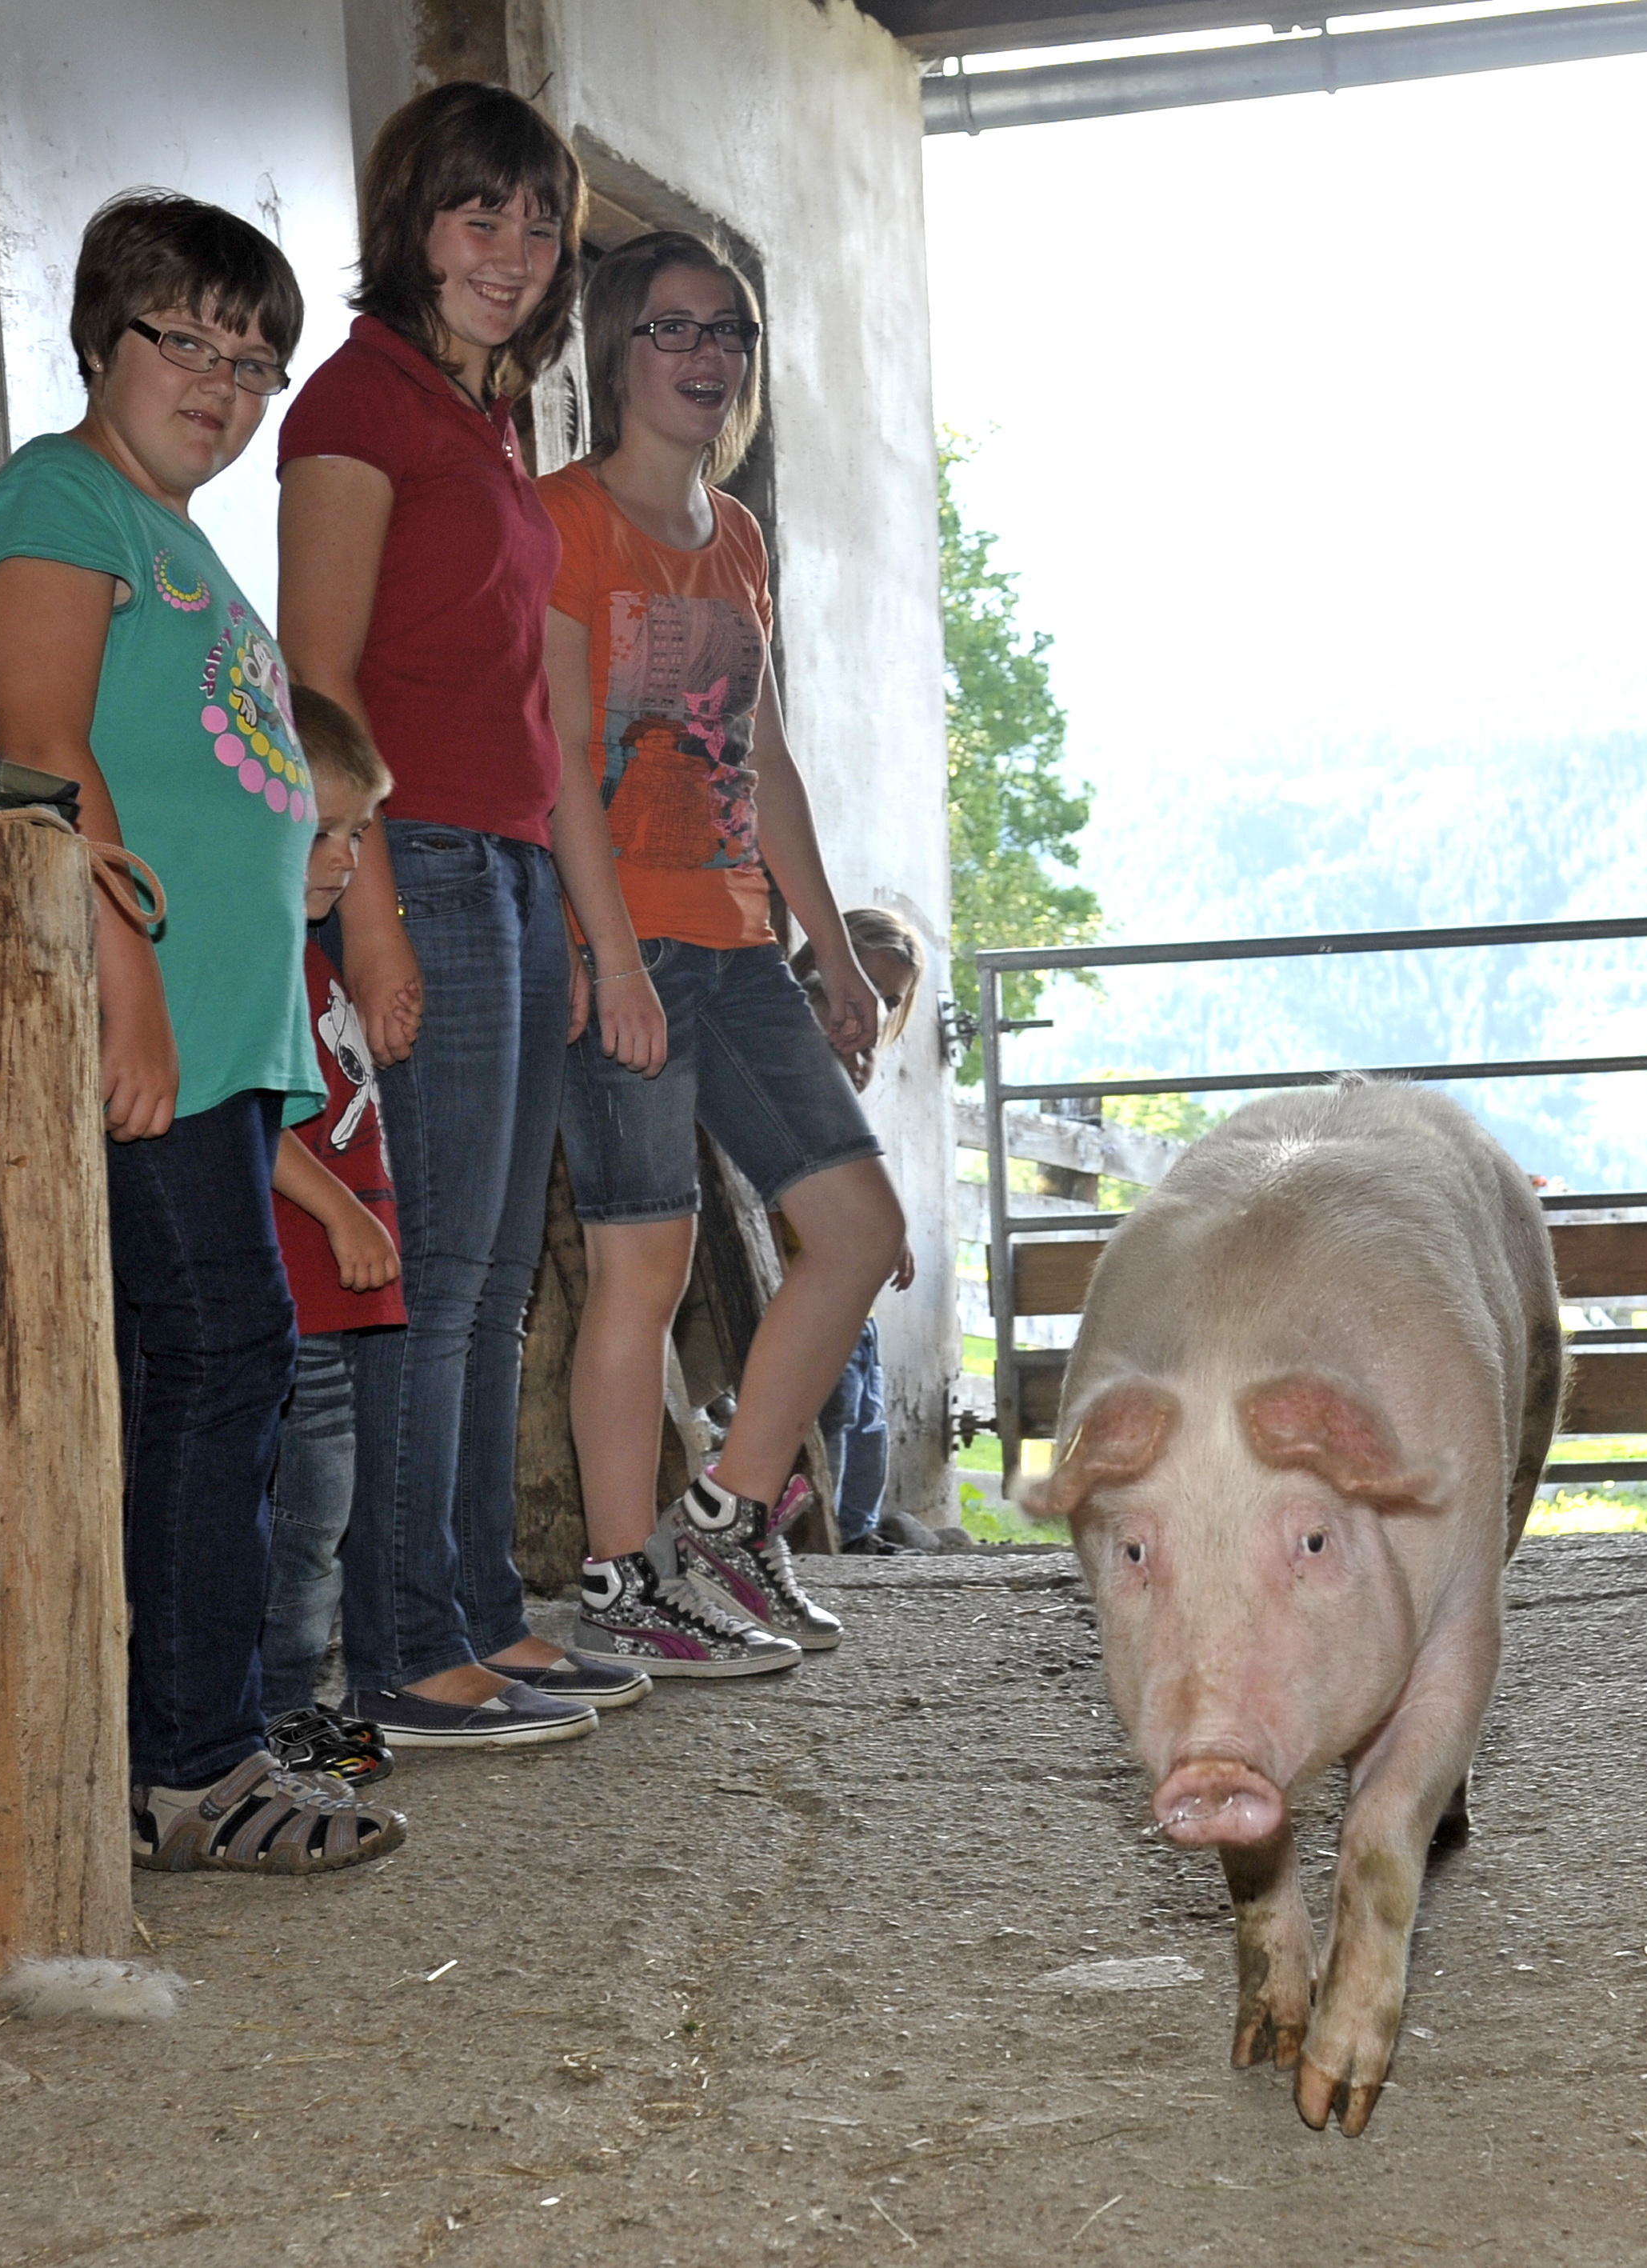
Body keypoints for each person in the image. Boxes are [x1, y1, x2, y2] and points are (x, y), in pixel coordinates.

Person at [0, 190, 399, 1872]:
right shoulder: (54, 506)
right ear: (97, 339)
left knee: (220, 1376)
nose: (221, 381)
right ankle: (188, 1762)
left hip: (220, 1042)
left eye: (255, 360)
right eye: (187, 341)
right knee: (214, 1366)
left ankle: (192, 1739)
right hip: (147, 1033)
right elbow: (48, 758)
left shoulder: (184, 542)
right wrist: (125, 992)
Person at [275, 83, 643, 1747]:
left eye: (536, 221)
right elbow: (316, 680)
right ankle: (403, 1646)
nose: (511, 251)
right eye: (476, 214)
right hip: (408, 854)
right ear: (412, 224)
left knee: (493, 1278)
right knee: (429, 1276)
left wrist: (563, 912)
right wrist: (366, 918)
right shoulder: (357, 403)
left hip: (496, 860)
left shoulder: (482, 418)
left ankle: (480, 1610)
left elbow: (521, 705)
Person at [538, 229, 909, 1673]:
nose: (705, 359)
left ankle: (728, 1520)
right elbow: (562, 758)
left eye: (729, 335)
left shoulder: (737, 536)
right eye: (674, 331)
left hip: (740, 944)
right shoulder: (563, 520)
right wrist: (612, 957)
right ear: (616, 354)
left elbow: (760, 752)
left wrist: (835, 950)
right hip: (619, 944)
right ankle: (623, 1584)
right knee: (641, 1269)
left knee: (860, 1232)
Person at [253, 701, 427, 1787]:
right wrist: (341, 1211)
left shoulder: (307, 951)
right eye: (323, 832)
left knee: (324, 1507)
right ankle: (279, 1706)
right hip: (294, 1281)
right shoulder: (252, 950)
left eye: (358, 834)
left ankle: (299, 1699)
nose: (346, 857)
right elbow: (250, 1114)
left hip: (333, 1286)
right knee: (300, 1514)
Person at [798, 910, 926, 1550]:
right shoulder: (792, 1068)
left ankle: (859, 1530)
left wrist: (886, 1233)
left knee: (868, 1413)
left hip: (854, 1292)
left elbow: (854, 1162)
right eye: (851, 991)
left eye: (888, 1002)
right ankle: (827, 1534)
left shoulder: (848, 1067)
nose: (861, 1017)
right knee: (836, 1405)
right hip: (810, 1279)